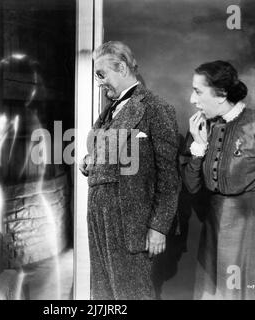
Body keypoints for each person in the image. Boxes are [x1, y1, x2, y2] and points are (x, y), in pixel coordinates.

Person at [79, 41, 180, 299]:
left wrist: (158, 227)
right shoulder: (108, 112)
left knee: (130, 294)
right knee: (102, 294)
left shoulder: (156, 108)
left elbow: (169, 176)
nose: (99, 82)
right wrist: (91, 159)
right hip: (99, 217)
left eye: (102, 75)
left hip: (130, 222)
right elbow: (112, 152)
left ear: (122, 68)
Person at [180, 60, 255, 300]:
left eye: (198, 91)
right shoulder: (203, 127)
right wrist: (199, 146)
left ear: (221, 94)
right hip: (213, 236)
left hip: (251, 235)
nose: (193, 99)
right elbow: (191, 187)